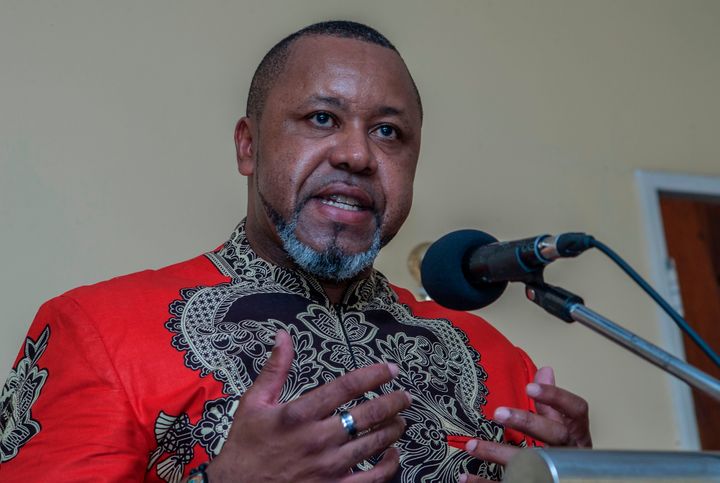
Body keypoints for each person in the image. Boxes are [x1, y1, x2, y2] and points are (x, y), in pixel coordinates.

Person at [0, 21, 591, 482]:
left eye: (389, 132)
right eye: (321, 118)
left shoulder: (500, 363)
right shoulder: (96, 332)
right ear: (249, 147)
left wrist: (585, 478)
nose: (357, 155)